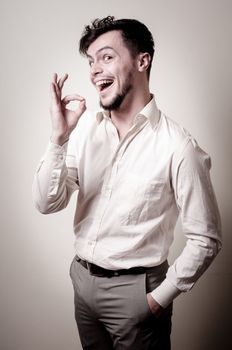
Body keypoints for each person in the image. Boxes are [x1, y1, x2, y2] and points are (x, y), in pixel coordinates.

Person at [32, 16, 222, 350]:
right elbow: (48, 203)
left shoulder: (178, 147)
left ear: (142, 60)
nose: (94, 70)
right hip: (82, 282)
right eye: (91, 62)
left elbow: (206, 239)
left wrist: (156, 300)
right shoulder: (85, 132)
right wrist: (59, 136)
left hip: (137, 293)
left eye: (106, 57)